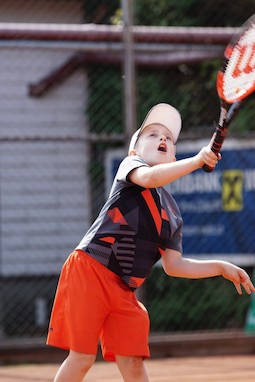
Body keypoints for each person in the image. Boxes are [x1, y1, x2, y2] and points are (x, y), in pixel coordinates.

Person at [47, 103, 255, 382]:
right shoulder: (131, 167)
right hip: (89, 270)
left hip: (124, 290)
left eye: (169, 138)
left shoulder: (172, 215)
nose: (162, 139)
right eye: (153, 134)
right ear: (135, 150)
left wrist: (219, 267)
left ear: (172, 155)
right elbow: (150, 178)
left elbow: (174, 265)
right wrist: (196, 161)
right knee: (82, 358)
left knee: (133, 362)